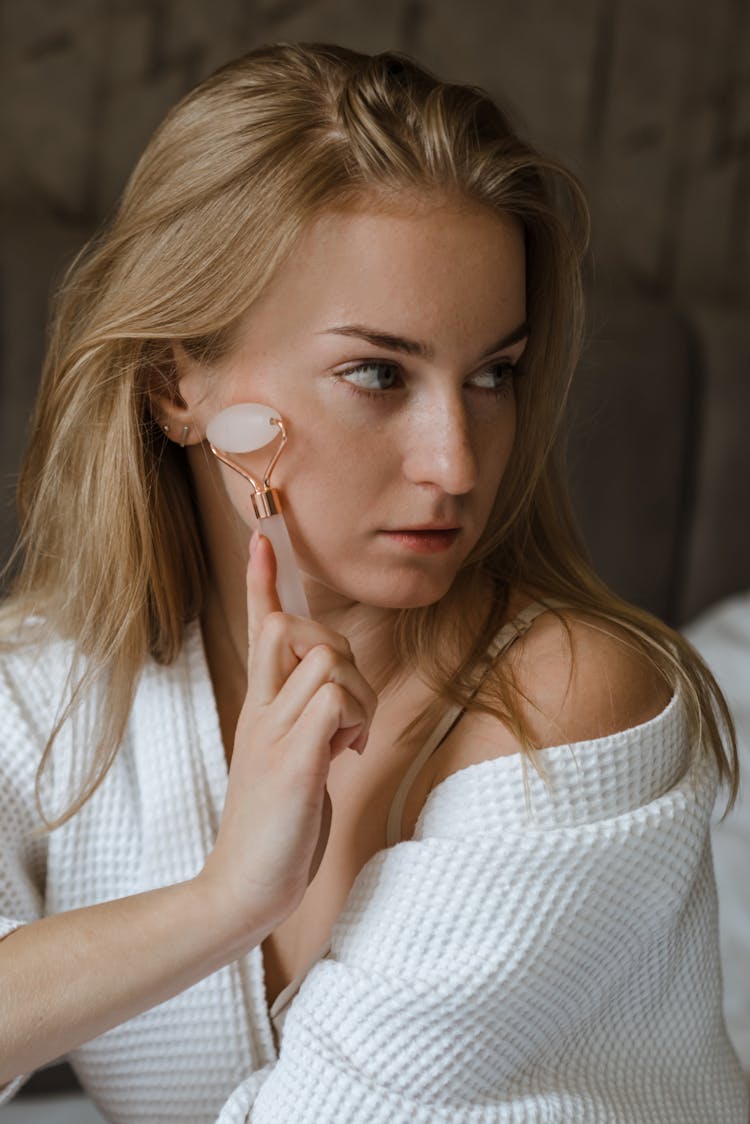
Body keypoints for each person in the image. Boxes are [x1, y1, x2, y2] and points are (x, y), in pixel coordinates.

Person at [0, 41, 746, 1123]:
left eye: (493, 374)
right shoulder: (52, 688)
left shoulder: (569, 711)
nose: (456, 462)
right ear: (178, 385)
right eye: (377, 373)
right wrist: (222, 901)